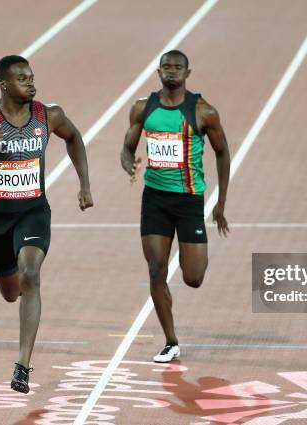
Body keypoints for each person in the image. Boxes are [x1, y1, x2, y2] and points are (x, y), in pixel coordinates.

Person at [0, 55, 93, 392]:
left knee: (30, 275)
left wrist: (84, 185)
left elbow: (73, 137)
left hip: (33, 212)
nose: (31, 82)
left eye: (31, 77)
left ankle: (22, 366)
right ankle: (12, 282)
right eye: (22, 78)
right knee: (11, 291)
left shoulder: (49, 115)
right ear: (4, 84)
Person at [120, 50, 230, 362]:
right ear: (158, 72)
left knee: (193, 277)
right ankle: (170, 340)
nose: (171, 72)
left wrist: (220, 202)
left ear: (187, 73)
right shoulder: (143, 109)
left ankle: (188, 244)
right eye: (166, 67)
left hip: (189, 201)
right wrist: (129, 164)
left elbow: (223, 153)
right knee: (156, 269)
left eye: (177, 68)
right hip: (154, 199)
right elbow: (127, 149)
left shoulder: (203, 111)